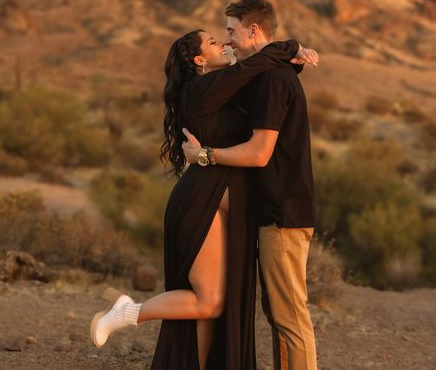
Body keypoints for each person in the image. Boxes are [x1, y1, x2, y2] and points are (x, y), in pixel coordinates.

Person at [89, 27, 317, 370]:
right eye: (214, 42)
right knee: (209, 303)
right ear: (199, 60)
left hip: (225, 205)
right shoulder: (201, 89)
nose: (223, 43)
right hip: (204, 201)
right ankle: (130, 312)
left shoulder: (221, 87)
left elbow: (262, 84)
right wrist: (292, 46)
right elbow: (252, 68)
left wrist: (291, 65)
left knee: (216, 309)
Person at [182, 0, 318, 370]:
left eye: (231, 31)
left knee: (289, 318)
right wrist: (290, 50)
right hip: (279, 211)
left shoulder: (273, 81)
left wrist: (204, 156)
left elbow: (259, 153)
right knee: (280, 314)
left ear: (252, 30)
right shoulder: (272, 75)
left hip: (283, 213)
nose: (227, 41)